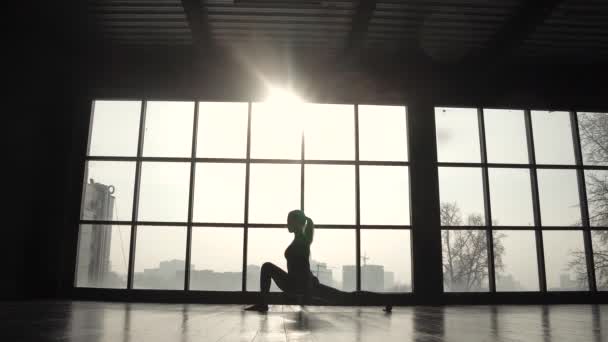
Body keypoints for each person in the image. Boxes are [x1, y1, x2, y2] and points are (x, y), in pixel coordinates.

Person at [244, 209, 349, 312]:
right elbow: (303, 265)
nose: (287, 224)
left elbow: (302, 266)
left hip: (297, 284)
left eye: (289, 221)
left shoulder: (302, 240)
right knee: (341, 297)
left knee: (267, 267)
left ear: (297, 223)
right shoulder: (301, 239)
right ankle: (263, 304)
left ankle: (263, 304)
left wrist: (310, 282)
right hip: (299, 283)